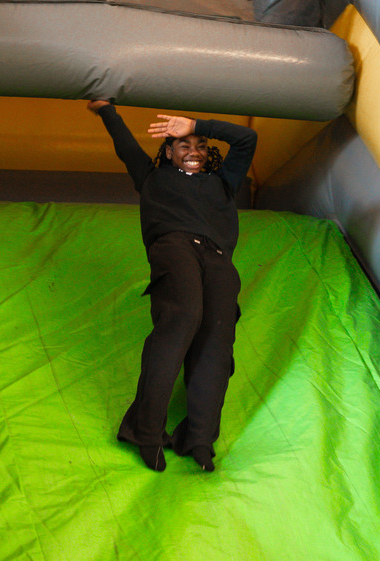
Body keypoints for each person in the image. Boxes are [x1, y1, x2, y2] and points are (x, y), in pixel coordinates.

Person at [88, 99, 257, 472]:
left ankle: (197, 438)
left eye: (200, 146)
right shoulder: (153, 177)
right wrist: (107, 112)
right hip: (175, 246)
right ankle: (144, 431)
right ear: (168, 150)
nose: (194, 151)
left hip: (218, 259)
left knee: (217, 340)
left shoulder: (223, 183)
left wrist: (197, 124)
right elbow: (126, 146)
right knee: (184, 317)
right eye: (184, 145)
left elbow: (247, 138)